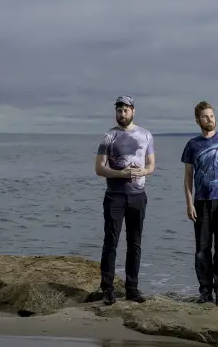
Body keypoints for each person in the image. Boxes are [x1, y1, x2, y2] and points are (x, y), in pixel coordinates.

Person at [94, 95, 155, 305]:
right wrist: (122, 174)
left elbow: (151, 165)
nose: (122, 114)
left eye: (126, 110)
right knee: (111, 242)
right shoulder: (108, 137)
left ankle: (132, 287)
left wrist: (142, 171)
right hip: (115, 196)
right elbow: (99, 168)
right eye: (119, 110)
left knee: (134, 243)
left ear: (133, 111)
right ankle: (108, 289)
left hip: (138, 196)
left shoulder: (146, 135)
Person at [181, 100, 218, 306]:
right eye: (205, 116)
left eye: (212, 116)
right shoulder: (192, 145)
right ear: (198, 120)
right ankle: (205, 291)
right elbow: (188, 176)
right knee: (202, 249)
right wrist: (189, 203)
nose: (210, 119)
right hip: (201, 202)